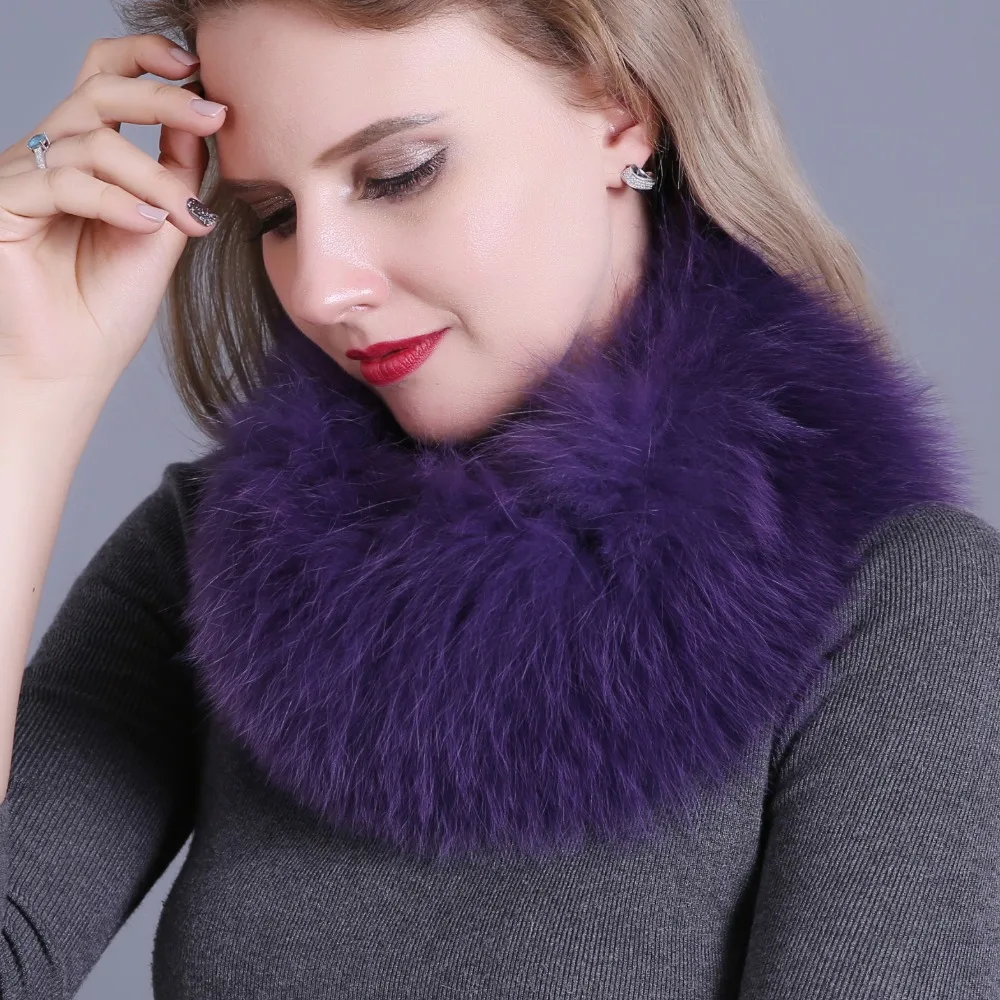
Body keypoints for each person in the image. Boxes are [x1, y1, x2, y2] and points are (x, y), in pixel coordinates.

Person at [1, 2, 998, 997]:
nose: (320, 289)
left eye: (399, 173)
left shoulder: (893, 601)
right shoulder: (216, 558)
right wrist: (28, 385)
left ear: (622, 108)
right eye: (276, 215)